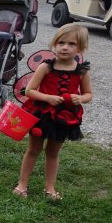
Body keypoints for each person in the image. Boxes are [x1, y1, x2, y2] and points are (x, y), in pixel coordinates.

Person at [14, 24, 93, 201]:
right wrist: (48, 98)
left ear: (80, 48)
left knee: (53, 152)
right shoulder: (46, 67)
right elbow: (29, 91)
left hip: (64, 118)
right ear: (54, 44)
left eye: (71, 44)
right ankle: (22, 184)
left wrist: (80, 99)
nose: (65, 47)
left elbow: (89, 94)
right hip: (41, 115)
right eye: (61, 42)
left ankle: (50, 188)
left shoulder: (82, 71)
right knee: (33, 149)